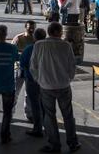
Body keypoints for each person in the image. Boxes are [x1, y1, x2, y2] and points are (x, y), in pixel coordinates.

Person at [30, 23, 81, 153]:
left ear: (49, 32)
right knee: (68, 115)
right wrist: (68, 78)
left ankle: (54, 144)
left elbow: (33, 66)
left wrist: (39, 80)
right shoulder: (66, 46)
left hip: (46, 87)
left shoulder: (38, 45)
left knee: (49, 115)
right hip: (63, 86)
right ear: (59, 32)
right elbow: (72, 66)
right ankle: (72, 143)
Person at [20, 28, 47, 138]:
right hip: (46, 81)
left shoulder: (29, 49)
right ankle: (47, 126)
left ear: (35, 37)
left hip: (32, 81)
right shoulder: (48, 49)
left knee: (35, 106)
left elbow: (23, 63)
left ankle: (38, 128)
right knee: (44, 105)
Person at [11, 20, 36, 121]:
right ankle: (10, 113)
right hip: (19, 70)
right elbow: (12, 53)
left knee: (29, 94)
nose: (31, 29)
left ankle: (29, 114)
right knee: (15, 93)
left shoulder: (36, 39)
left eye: (33, 27)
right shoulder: (18, 38)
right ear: (25, 27)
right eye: (29, 27)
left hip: (31, 71)